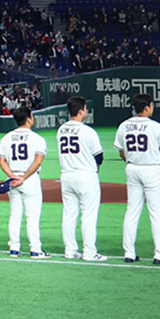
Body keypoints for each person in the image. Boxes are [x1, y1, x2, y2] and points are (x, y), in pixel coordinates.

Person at [114, 94, 160, 265]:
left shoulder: (124, 125)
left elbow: (122, 152)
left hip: (132, 168)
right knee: (156, 213)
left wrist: (133, 161)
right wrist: (159, 171)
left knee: (132, 211)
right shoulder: (156, 127)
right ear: (147, 107)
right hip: (152, 169)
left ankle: (129, 253)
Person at [57, 96, 107, 262]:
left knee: (69, 214)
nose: (87, 111)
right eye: (85, 108)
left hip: (66, 176)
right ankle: (89, 252)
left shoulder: (61, 130)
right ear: (80, 111)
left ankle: (70, 250)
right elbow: (99, 157)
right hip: (86, 175)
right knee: (88, 215)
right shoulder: (88, 131)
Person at [0, 106, 50, 259]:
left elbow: (2, 161)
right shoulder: (37, 139)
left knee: (15, 215)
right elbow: (38, 161)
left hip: (14, 180)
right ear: (29, 119)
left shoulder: (7, 138)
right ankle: (35, 249)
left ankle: (14, 248)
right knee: (32, 216)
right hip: (30, 179)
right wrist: (24, 177)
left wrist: (13, 176)